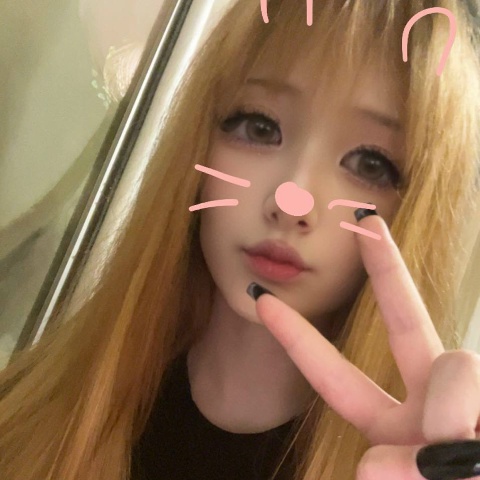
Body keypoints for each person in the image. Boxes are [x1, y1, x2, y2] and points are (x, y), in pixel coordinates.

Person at [1, 0, 480, 479]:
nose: (292, 201)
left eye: (370, 164)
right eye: (260, 127)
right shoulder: (29, 414)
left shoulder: (400, 462)